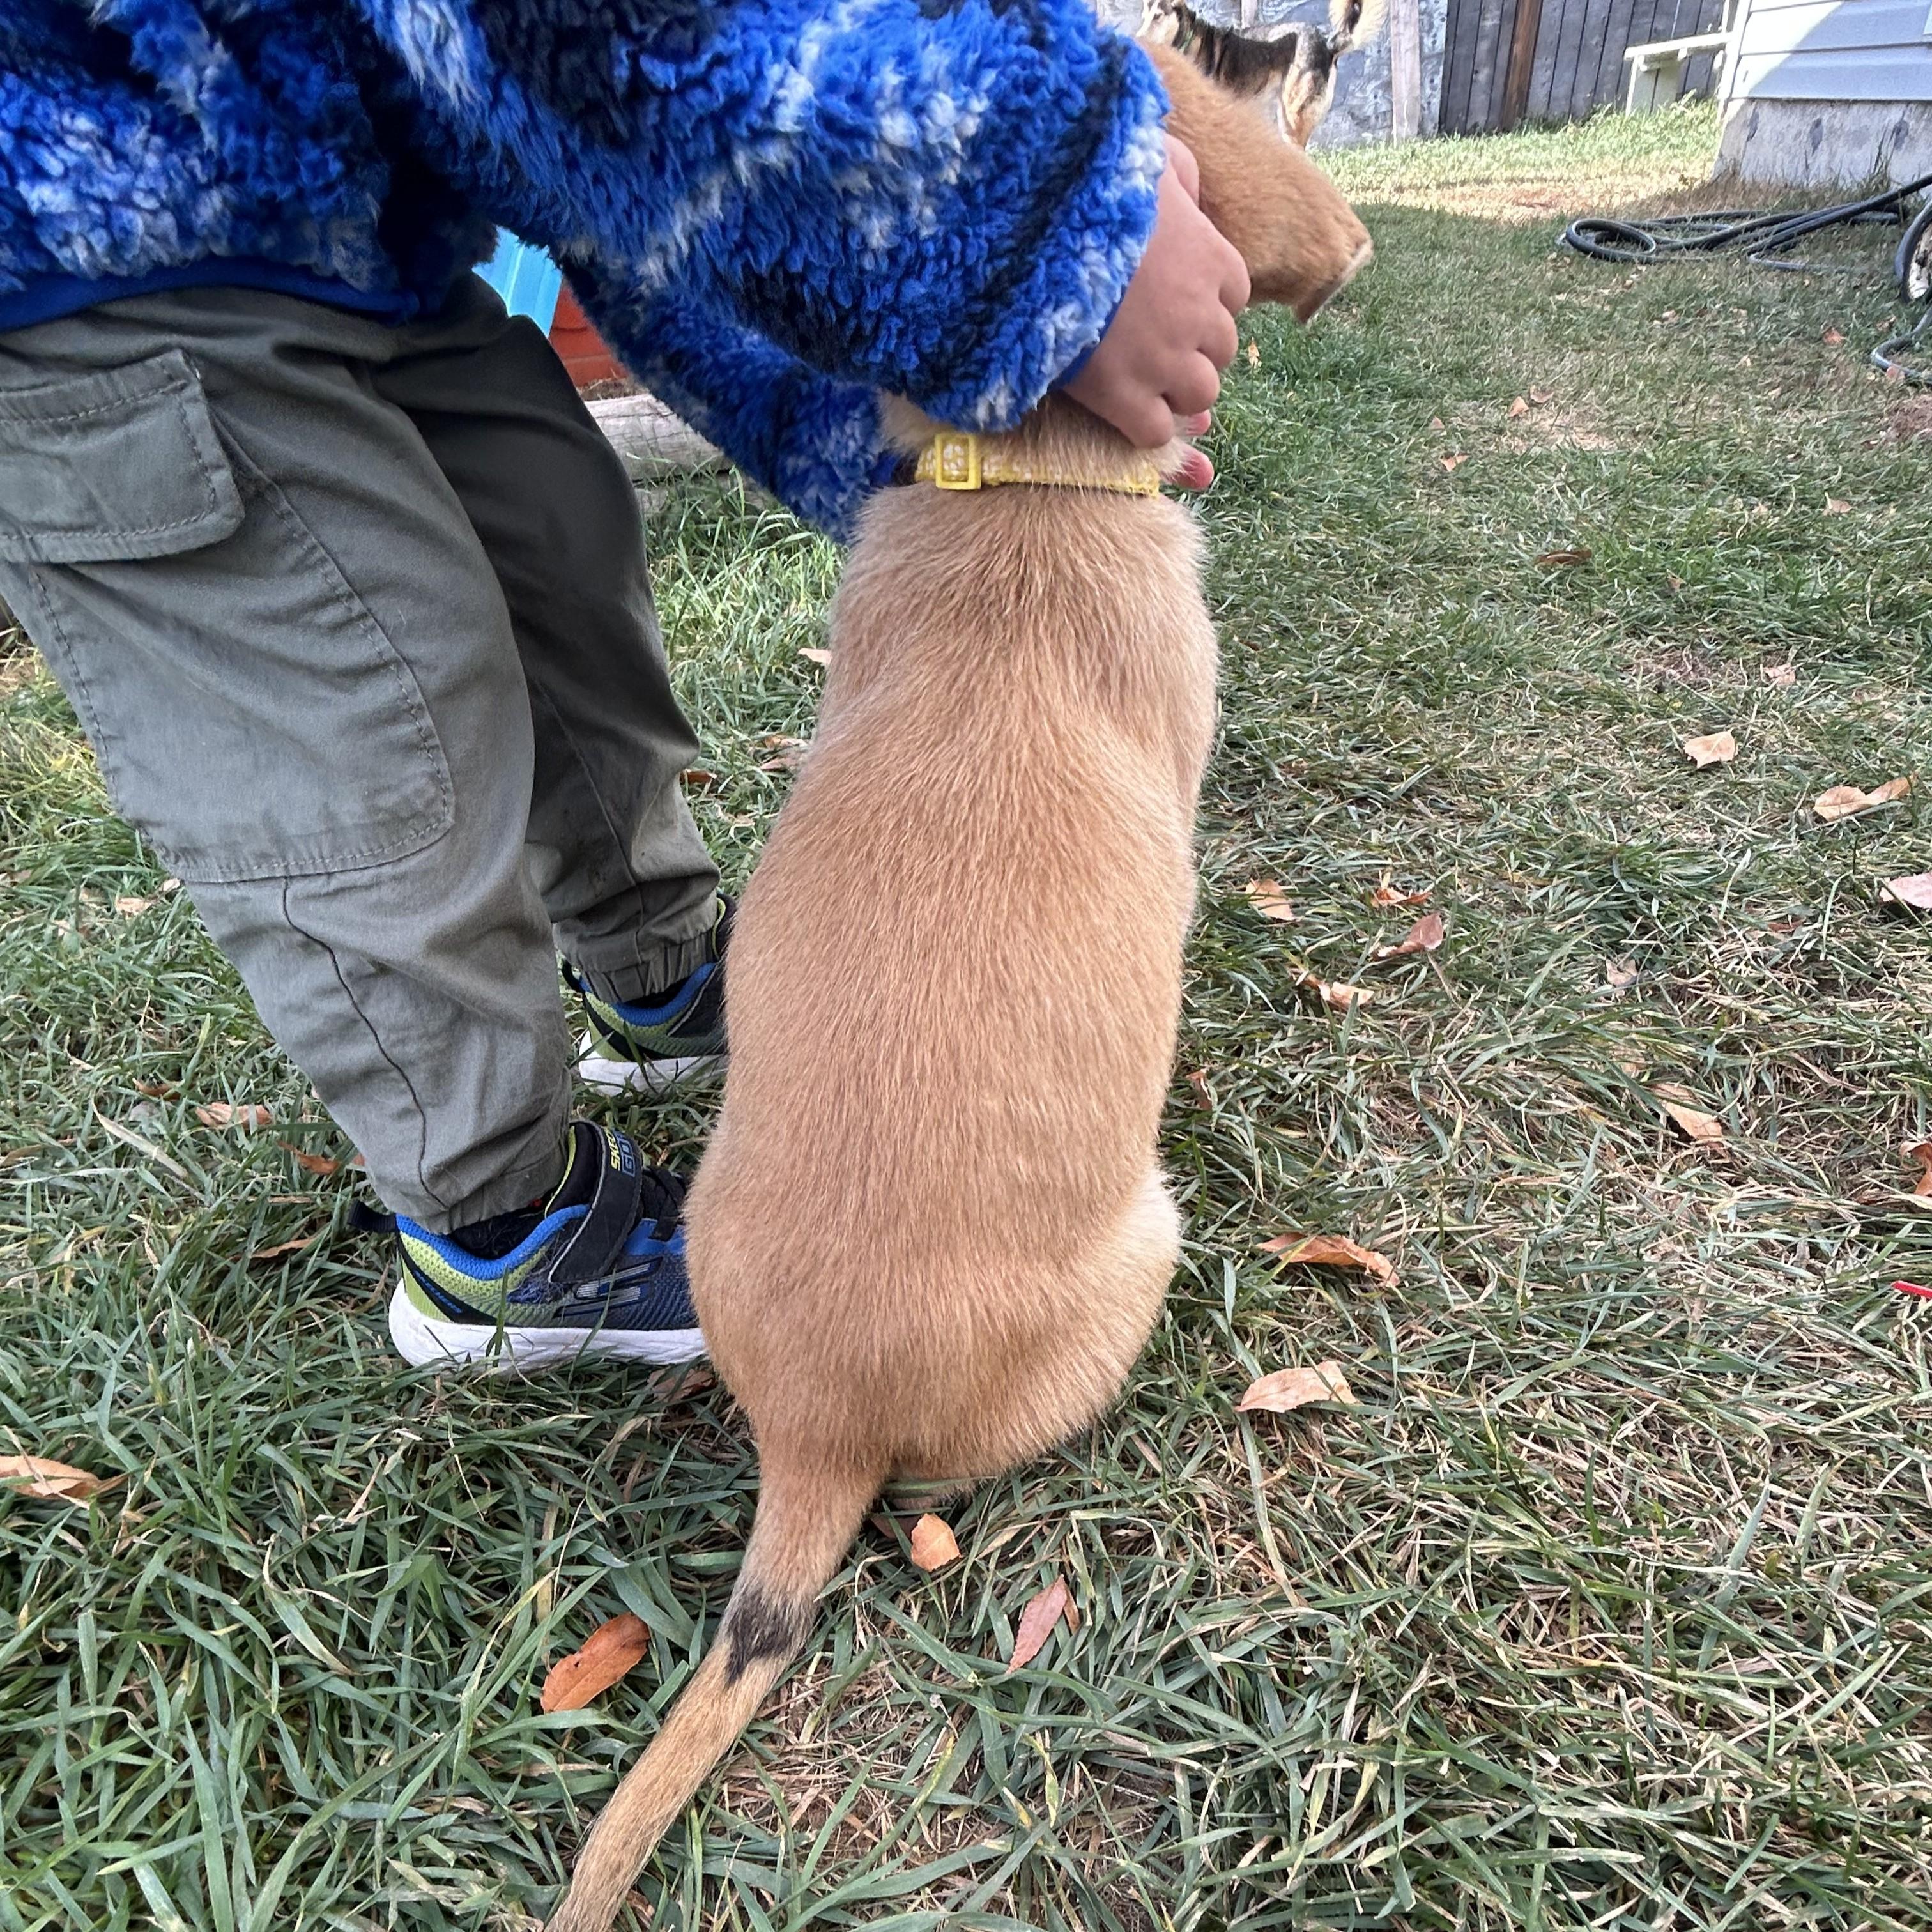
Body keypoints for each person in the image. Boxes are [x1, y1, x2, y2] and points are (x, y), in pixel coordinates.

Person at [0, 3, 1249, 1372]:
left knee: (561, 561)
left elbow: (647, 192)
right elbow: (637, 43)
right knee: (369, 726)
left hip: (373, 229)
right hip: (80, 250)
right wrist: (1038, 230)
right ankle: (495, 1232)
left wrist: (915, 426)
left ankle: (654, 972)